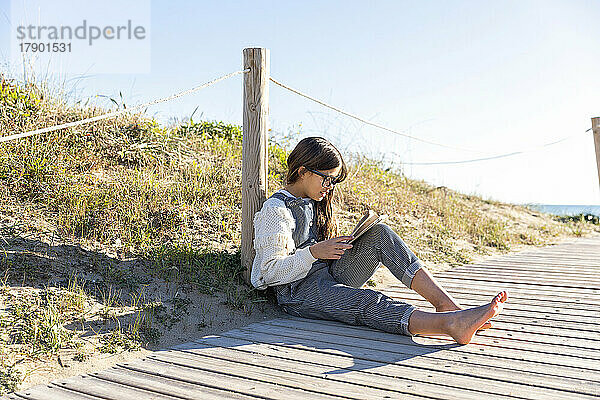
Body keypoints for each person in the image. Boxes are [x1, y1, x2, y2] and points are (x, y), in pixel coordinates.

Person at [250, 136, 507, 344]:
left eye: (334, 180)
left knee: (380, 234)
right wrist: (314, 253)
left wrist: (338, 247)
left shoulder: (312, 201)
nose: (329, 186)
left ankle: (445, 305)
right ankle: (450, 325)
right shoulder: (276, 211)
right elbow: (265, 275)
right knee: (367, 301)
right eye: (326, 178)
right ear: (303, 171)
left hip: (326, 274)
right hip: (298, 293)